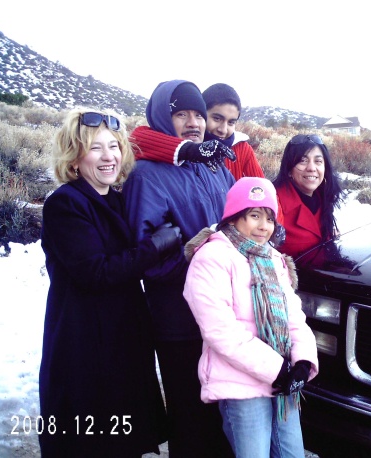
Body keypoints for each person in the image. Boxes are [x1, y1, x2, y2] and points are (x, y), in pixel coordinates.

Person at [39, 108, 179, 457]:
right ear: (74, 156)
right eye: (96, 148)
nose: (109, 157)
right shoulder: (65, 204)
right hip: (83, 347)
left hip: (122, 341)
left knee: (124, 442)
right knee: (90, 443)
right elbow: (96, 272)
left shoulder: (116, 198)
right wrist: (155, 246)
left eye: (114, 146)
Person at [122, 80, 235, 457]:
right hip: (179, 322)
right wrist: (201, 256)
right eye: (181, 114)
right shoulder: (146, 175)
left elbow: (237, 224)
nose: (193, 122)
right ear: (161, 117)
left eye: (198, 114)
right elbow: (146, 258)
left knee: (224, 417)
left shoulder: (214, 165)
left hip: (223, 316)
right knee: (191, 420)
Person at [182, 177, 319, 458]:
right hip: (241, 383)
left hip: (283, 384)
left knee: (292, 454)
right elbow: (220, 330)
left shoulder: (273, 258)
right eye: (254, 215)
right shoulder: (212, 257)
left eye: (269, 218)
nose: (263, 226)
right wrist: (278, 369)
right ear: (233, 218)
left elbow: (294, 315)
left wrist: (303, 362)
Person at [132, 82, 264, 180]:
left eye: (231, 122)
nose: (223, 130)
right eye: (217, 118)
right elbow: (137, 140)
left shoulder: (241, 148)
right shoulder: (190, 143)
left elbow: (264, 193)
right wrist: (189, 150)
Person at [272, 134, 344, 259]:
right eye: (302, 161)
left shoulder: (325, 200)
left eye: (318, 161)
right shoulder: (272, 204)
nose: (311, 168)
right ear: (289, 169)